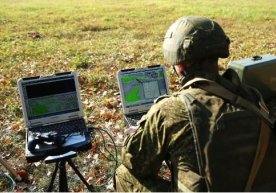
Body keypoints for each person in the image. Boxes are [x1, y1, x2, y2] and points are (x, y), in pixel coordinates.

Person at [114, 16, 276, 192]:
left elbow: (135, 162)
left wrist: (136, 134)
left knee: (124, 174)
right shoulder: (252, 96)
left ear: (179, 64)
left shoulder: (172, 109)